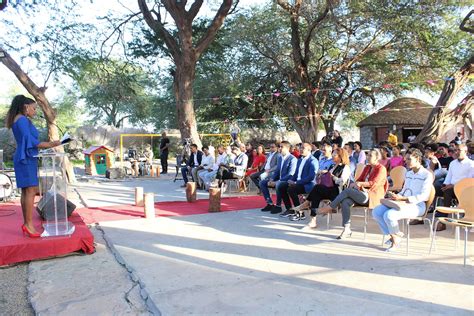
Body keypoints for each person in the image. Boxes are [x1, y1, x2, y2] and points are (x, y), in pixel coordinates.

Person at [5, 95, 61, 237]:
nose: (35, 111)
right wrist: (51, 144)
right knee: (30, 191)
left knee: (26, 191)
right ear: (26, 107)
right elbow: (31, 141)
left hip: (25, 156)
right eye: (34, 108)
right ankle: (28, 225)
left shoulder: (17, 119)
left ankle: (27, 224)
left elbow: (28, 141)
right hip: (26, 158)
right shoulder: (22, 120)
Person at [318, 149, 388, 239]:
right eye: (368, 155)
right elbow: (359, 179)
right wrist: (356, 183)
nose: (367, 157)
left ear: (377, 158)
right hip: (361, 192)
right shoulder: (367, 167)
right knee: (346, 202)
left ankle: (331, 207)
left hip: (371, 195)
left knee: (347, 191)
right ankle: (346, 229)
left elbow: (374, 183)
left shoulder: (381, 169)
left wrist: (360, 184)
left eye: (370, 156)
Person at [372, 149, 433, 251]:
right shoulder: (409, 174)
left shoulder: (427, 175)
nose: (406, 161)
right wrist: (395, 196)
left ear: (417, 159)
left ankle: (395, 240)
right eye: (406, 159)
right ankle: (395, 235)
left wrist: (404, 198)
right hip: (403, 203)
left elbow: (424, 196)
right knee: (376, 211)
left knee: (389, 215)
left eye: (409, 159)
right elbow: (404, 191)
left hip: (418, 206)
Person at [293, 147, 351, 227]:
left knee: (317, 188)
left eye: (335, 154)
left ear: (340, 156)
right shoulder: (333, 166)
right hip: (328, 189)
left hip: (337, 192)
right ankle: (313, 220)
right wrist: (323, 173)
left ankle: (306, 203)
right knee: (316, 194)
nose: (333, 155)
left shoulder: (345, 167)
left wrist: (333, 177)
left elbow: (342, 182)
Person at [437, 144, 474, 231]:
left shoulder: (471, 164)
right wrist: (445, 184)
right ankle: (442, 218)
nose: (456, 152)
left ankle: (443, 220)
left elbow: (467, 181)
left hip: (465, 190)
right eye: (455, 150)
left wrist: (454, 185)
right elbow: (448, 177)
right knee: (438, 187)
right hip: (451, 188)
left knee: (448, 191)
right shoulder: (452, 163)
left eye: (459, 150)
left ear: (466, 152)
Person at [279, 143, 319, 219]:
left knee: (292, 189)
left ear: (309, 150)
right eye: (300, 148)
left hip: (308, 185)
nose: (300, 149)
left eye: (303, 148)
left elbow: (311, 177)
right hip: (298, 183)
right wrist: (290, 180)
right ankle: (290, 209)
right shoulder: (300, 159)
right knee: (282, 186)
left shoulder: (313, 161)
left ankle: (300, 212)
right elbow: (296, 173)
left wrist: (296, 183)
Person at [259, 141, 297, 214]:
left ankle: (278, 206)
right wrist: (272, 179)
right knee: (262, 183)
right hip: (279, 179)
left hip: (287, 180)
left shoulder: (292, 159)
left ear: (288, 148)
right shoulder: (280, 158)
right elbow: (277, 171)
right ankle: (269, 203)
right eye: (279, 146)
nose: (279, 148)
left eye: (281, 147)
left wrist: (277, 181)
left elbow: (290, 174)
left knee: (278, 184)